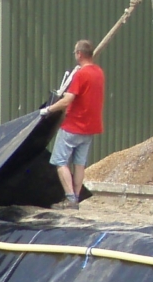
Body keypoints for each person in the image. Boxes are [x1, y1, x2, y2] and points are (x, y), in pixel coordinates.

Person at [41, 39, 105, 210]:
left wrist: (48, 110)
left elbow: (67, 100)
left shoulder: (80, 75)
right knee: (79, 163)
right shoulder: (99, 72)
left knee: (60, 161)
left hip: (73, 125)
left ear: (79, 54)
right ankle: (76, 197)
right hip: (90, 127)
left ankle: (70, 199)